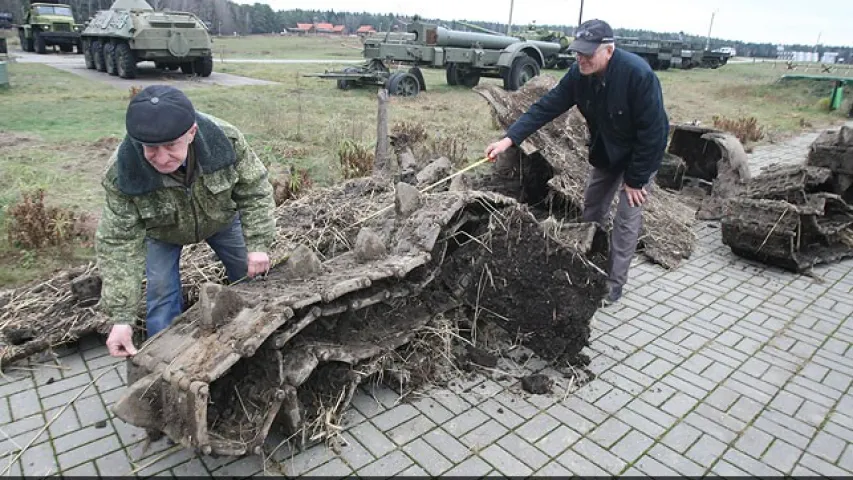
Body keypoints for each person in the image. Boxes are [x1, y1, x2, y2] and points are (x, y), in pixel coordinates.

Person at [485, 19, 669, 305]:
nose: (581, 58)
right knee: (592, 206)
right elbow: (545, 107)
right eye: (578, 52)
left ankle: (614, 283)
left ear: (609, 50)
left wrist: (636, 179)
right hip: (607, 152)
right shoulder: (578, 75)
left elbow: (655, 133)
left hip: (640, 156)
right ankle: (590, 262)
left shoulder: (638, 75)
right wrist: (508, 140)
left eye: (588, 53)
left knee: (626, 218)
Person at [96, 85, 277, 357]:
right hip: (162, 233)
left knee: (252, 280)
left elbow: (255, 190)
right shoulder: (121, 173)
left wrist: (259, 244)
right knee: (161, 299)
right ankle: (166, 362)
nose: (162, 158)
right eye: (151, 149)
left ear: (191, 133)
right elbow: (118, 242)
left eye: (170, 146)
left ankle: (258, 340)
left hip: (221, 220)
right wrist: (122, 318)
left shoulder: (225, 141)